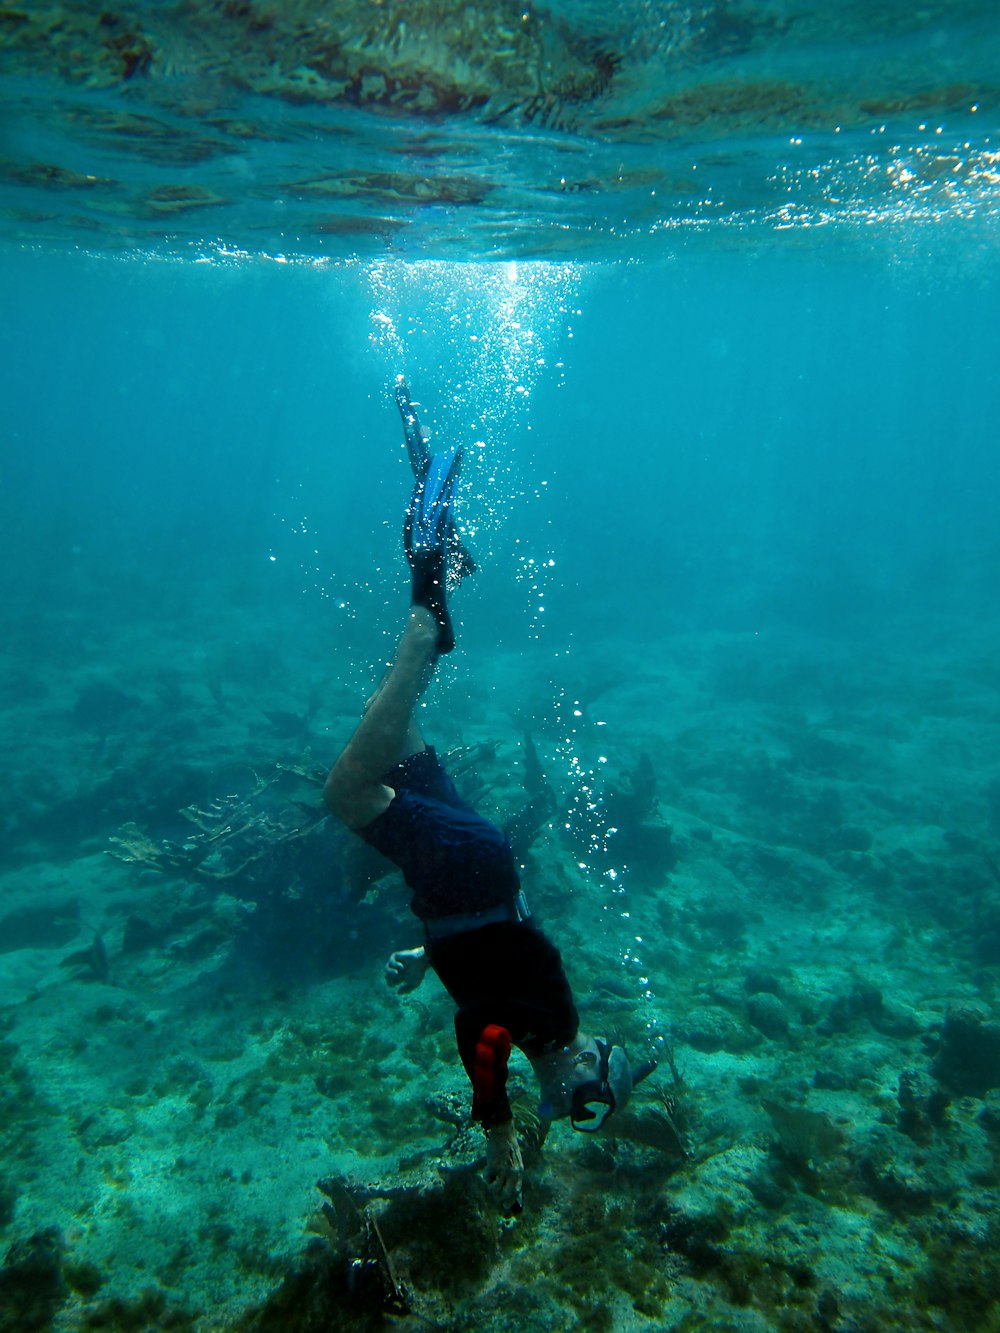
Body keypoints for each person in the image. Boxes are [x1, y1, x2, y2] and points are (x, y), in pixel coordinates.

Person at [324, 379, 654, 1215]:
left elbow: (495, 974)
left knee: (387, 722)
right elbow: (481, 1030)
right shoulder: (546, 1023)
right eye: (578, 1086)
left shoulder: (541, 1016)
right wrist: (498, 1125)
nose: (560, 1085)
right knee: (348, 788)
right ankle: (429, 619)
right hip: (466, 870)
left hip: (466, 882)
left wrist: (427, 952)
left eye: (563, 1102)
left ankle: (436, 575)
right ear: (593, 1056)